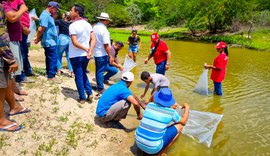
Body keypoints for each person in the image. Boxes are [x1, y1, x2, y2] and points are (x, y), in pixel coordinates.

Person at [0, 1, 30, 132]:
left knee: (5, 81)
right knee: (1, 86)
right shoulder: (3, 7)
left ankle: (13, 106)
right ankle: (1, 121)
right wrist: (10, 59)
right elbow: (0, 34)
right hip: (3, 51)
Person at [135, 88, 190, 155]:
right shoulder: (171, 112)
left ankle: (141, 149)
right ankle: (161, 152)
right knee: (179, 126)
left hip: (138, 142)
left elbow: (159, 111)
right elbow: (184, 122)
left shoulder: (149, 105)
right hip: (153, 148)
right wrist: (187, 108)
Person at [69, 4, 96, 104]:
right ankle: (89, 92)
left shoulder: (72, 26)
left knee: (79, 76)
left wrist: (87, 49)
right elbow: (93, 39)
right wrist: (89, 50)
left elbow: (75, 42)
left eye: (72, 10)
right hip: (86, 56)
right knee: (82, 73)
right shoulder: (87, 24)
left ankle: (82, 97)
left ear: (77, 13)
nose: (70, 12)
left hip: (76, 55)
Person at [34, 1, 60, 83]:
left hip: (50, 40)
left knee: (49, 58)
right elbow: (41, 29)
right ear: (51, 7)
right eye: (56, 9)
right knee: (53, 58)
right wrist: (37, 38)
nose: (56, 11)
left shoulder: (48, 15)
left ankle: (49, 73)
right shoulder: (45, 15)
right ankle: (51, 76)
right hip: (49, 41)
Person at [11, 0, 34, 77]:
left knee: (24, 51)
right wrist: (23, 28)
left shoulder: (20, 1)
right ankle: (20, 75)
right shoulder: (16, 1)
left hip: (24, 30)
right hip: (21, 30)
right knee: (22, 52)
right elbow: (15, 16)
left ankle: (27, 70)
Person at [93, 12, 113, 98]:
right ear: (105, 21)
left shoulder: (94, 27)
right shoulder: (104, 30)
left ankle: (99, 85)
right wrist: (110, 55)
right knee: (100, 71)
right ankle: (100, 88)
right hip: (102, 53)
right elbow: (106, 44)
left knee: (98, 70)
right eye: (108, 21)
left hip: (96, 52)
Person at [55, 12, 73, 77]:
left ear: (65, 16)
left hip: (62, 40)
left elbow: (51, 21)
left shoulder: (60, 22)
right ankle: (72, 72)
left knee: (58, 55)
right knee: (69, 57)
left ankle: (59, 70)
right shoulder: (72, 23)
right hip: (70, 40)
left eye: (63, 15)